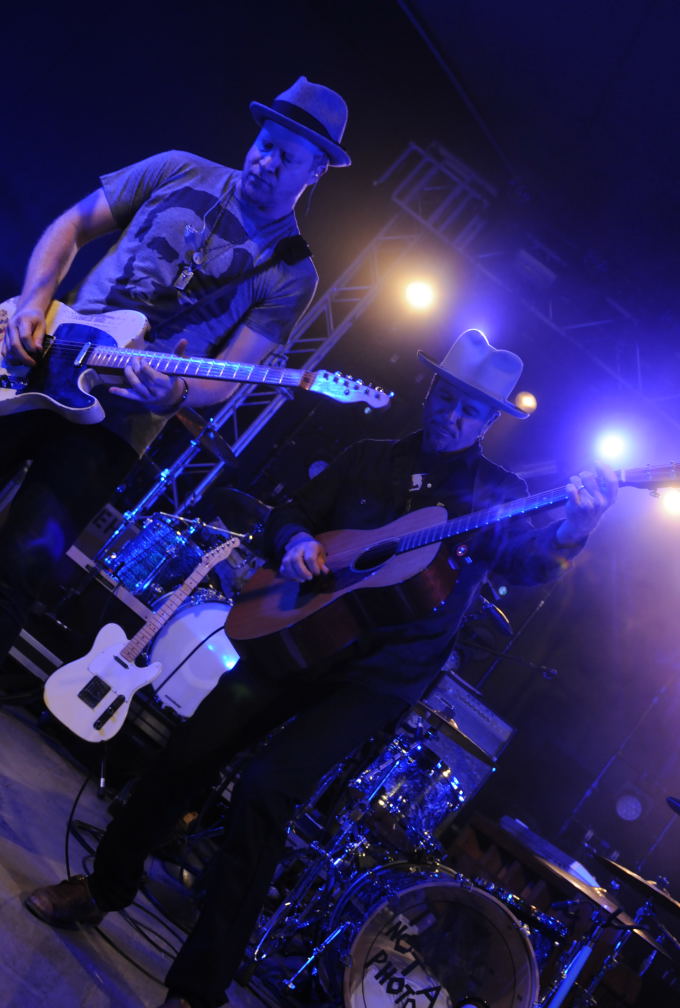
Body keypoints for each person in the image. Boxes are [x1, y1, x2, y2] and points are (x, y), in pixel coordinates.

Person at [25, 329, 618, 1008]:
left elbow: (529, 563)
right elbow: (290, 513)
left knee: (266, 789)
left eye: (470, 410)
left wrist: (575, 527)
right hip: (295, 637)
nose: (452, 415)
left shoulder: (499, 496)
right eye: (447, 397)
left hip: (377, 676)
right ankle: (103, 887)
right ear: (432, 390)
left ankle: (197, 989)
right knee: (188, 750)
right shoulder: (370, 456)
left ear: (489, 422)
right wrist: (296, 540)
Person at [0, 76, 351, 684]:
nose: (265, 162)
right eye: (265, 144)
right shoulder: (178, 169)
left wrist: (178, 393)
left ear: (316, 170)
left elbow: (231, 375)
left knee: (18, 568)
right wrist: (33, 301)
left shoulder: (293, 273)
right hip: (38, 358)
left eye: (286, 157)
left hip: (114, 425)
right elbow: (71, 227)